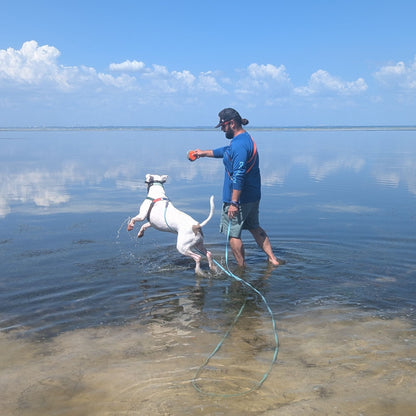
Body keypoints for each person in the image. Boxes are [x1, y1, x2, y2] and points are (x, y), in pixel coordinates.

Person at [193, 108, 281, 268]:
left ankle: (241, 268)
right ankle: (272, 259)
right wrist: (204, 153)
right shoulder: (244, 139)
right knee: (254, 227)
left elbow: (239, 174)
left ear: (232, 123)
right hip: (252, 196)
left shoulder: (239, 145)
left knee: (233, 234)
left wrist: (233, 203)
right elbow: (226, 151)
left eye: (223, 125)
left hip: (239, 199)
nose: (221, 129)